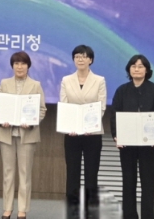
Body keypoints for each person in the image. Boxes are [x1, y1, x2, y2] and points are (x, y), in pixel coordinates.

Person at [110, 54, 154, 219]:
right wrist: (116, 135)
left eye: (140, 66)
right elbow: (114, 115)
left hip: (149, 145)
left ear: (147, 70)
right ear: (129, 69)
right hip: (127, 144)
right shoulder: (122, 91)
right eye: (133, 66)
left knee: (148, 183)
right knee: (128, 182)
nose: (137, 69)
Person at [0, 51, 47, 219]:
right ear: (12, 66)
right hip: (6, 133)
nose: (19, 67)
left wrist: (31, 122)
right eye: (16, 63)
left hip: (27, 134)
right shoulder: (4, 83)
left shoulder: (35, 85)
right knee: (8, 173)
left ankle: (22, 209)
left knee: (24, 174)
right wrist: (2, 119)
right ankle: (7, 208)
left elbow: (42, 109)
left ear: (28, 66)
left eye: (23, 63)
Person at [59, 45, 107, 219]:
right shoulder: (66, 80)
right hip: (72, 134)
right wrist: (69, 126)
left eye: (84, 56)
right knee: (72, 175)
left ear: (90, 60)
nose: (80, 59)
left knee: (91, 175)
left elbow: (101, 107)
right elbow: (64, 105)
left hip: (92, 134)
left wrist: (90, 126)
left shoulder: (99, 80)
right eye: (77, 56)